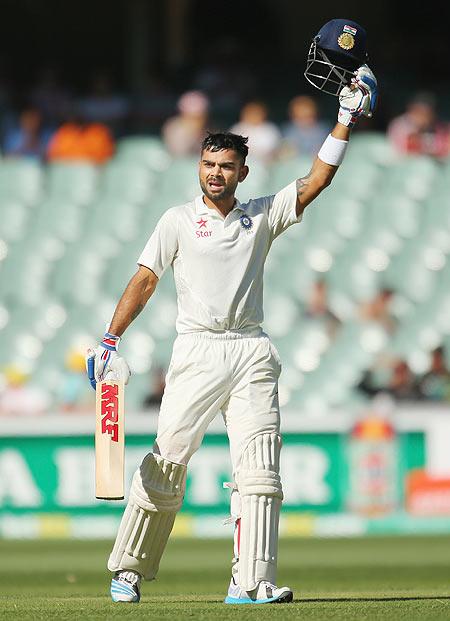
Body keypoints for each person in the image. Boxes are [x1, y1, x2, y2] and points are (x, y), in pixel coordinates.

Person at [86, 26, 377, 605]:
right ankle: (128, 571)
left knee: (260, 472)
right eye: (209, 164)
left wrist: (345, 117)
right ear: (199, 166)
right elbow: (145, 279)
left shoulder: (262, 216)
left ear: (244, 172)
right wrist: (110, 338)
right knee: (167, 462)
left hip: (250, 351)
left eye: (227, 166)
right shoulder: (176, 220)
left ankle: (252, 583)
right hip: (195, 350)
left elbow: (317, 180)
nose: (216, 173)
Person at [387, 93, 450, 158]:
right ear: (413, 109)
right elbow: (407, 148)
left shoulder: (437, 126)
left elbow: (444, 147)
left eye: (428, 113)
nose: (425, 117)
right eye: (422, 112)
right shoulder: (400, 124)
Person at [162, 90, 209, 157]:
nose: (198, 122)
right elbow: (179, 155)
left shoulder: (209, 128)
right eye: (193, 118)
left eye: (200, 117)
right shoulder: (174, 129)